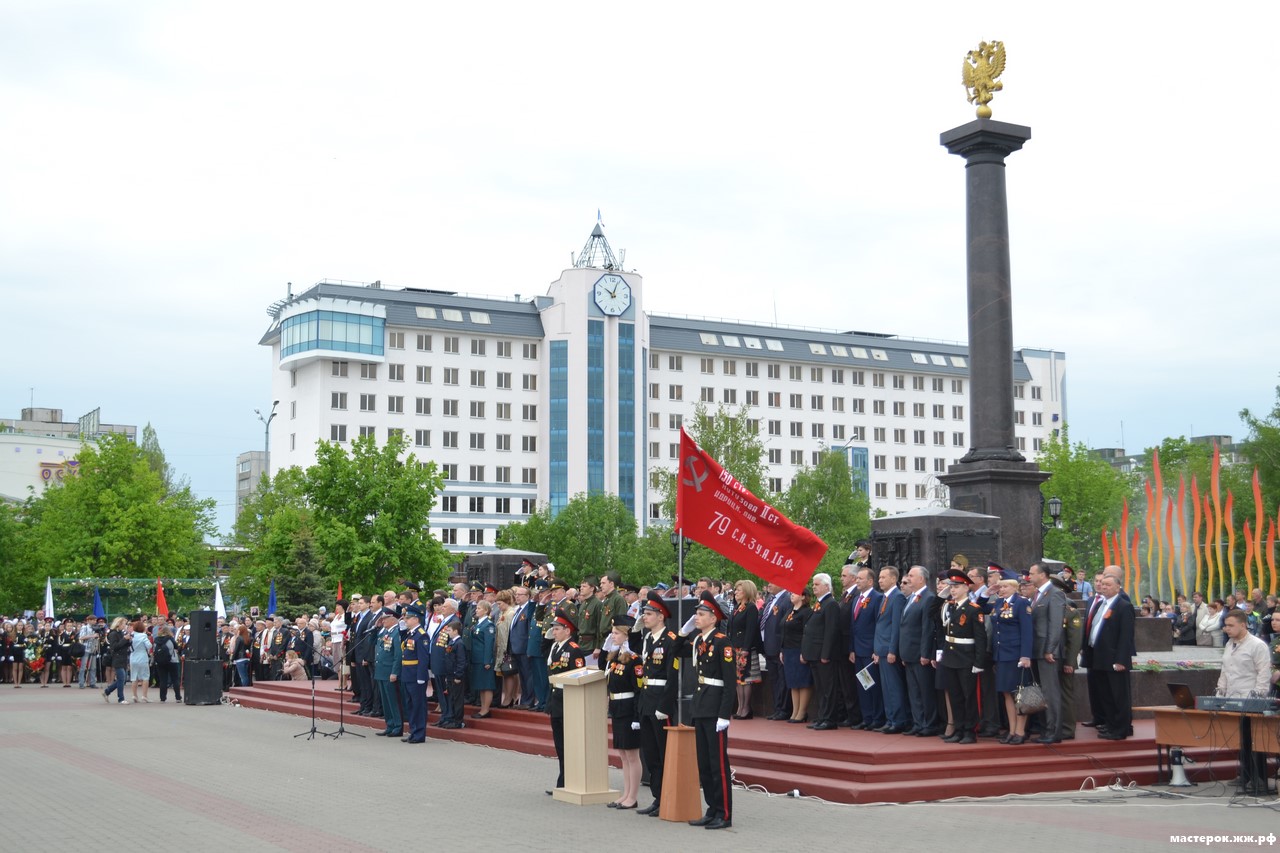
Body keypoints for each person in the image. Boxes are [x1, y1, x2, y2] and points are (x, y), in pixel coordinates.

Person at [685, 591, 736, 830]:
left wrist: (724, 715)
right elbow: (676, 650)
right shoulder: (698, 641)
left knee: (718, 766)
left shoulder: (722, 642)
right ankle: (711, 809)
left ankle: (724, 813)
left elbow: (729, 682)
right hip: (701, 705)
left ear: (713, 618)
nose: (696, 617)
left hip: (715, 708)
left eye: (701, 614)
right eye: (696, 613)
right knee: (704, 764)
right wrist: (684, 631)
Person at [1218, 610, 1273, 792]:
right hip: (1234, 698)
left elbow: (1263, 673)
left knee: (1255, 740)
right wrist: (1220, 694)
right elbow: (1225, 670)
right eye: (1226, 625)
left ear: (1243, 625)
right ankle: (1246, 775)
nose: (1227, 629)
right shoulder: (1229, 644)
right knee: (1243, 739)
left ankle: (1259, 779)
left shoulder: (1257, 645)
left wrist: (1258, 697)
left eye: (1231, 625)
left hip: (1251, 699)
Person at [636, 591, 679, 815]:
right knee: (650, 754)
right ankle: (656, 798)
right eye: (644, 613)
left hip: (661, 702)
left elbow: (672, 678)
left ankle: (667, 798)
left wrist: (665, 705)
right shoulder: (647, 638)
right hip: (646, 699)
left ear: (661, 616)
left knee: (664, 754)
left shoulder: (670, 639)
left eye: (649, 614)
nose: (645, 617)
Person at [1082, 572, 1135, 741]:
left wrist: (1121, 660)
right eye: (1102, 585)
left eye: (1108, 585)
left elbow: (1126, 636)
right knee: (1106, 694)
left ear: (1118, 587)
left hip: (1114, 660)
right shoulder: (1100, 604)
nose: (1104, 587)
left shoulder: (1123, 605)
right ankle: (1111, 725)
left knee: (1118, 695)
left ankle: (1121, 729)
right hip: (1099, 657)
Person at [940, 568, 988, 744]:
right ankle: (959, 728)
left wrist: (978, 662)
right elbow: (933, 615)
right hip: (951, 657)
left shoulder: (974, 609)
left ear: (966, 588)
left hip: (967, 658)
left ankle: (970, 730)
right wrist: (941, 596)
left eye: (957, 587)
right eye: (951, 587)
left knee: (969, 696)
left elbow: (980, 638)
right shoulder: (949, 606)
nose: (953, 590)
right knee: (955, 696)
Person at [546, 608, 587, 794]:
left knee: (568, 744)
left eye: (557, 629)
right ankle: (563, 780)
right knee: (560, 745)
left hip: (568, 700)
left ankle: (568, 781)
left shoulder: (574, 650)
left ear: (567, 631)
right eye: (553, 629)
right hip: (555, 698)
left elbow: (578, 676)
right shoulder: (555, 647)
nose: (553, 632)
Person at [988, 578, 1033, 744]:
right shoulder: (999, 602)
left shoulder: (1021, 603)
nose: (1002, 589)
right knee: (1006, 692)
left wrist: (1026, 655)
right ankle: (1012, 730)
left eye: (1005, 586)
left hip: (1016, 655)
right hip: (1001, 654)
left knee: (1019, 694)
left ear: (1015, 588)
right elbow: (979, 605)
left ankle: (1020, 731)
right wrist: (988, 593)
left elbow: (1027, 631)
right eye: (1000, 586)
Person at [605, 615, 642, 809]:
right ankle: (626, 793)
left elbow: (638, 690)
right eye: (612, 633)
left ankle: (633, 796)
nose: (613, 636)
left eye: (617, 633)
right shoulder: (615, 657)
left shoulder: (634, 660)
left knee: (632, 755)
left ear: (627, 636)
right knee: (622, 754)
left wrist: (637, 717)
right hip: (617, 709)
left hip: (629, 710)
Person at [1026, 563, 1066, 744]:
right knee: (1040, 693)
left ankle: (1054, 731)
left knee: (1050, 692)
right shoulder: (1037, 594)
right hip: (1036, 650)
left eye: (1032, 574)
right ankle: (1044, 729)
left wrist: (1050, 649)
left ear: (1043, 575)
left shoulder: (1054, 593)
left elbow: (1055, 624)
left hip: (1046, 651)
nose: (1029, 577)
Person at [898, 566, 939, 737]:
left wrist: (924, 654)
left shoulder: (928, 598)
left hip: (919, 654)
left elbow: (926, 628)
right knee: (914, 692)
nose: (908, 578)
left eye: (911, 575)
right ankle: (918, 722)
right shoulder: (911, 598)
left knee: (925, 691)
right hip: (908, 653)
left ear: (921, 579)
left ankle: (929, 724)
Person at [801, 572, 840, 730]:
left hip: (823, 655)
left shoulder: (830, 604)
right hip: (814, 653)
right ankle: (822, 716)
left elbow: (831, 631)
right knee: (821, 687)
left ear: (826, 586)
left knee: (828, 688)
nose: (813, 587)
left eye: (816, 584)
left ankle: (829, 718)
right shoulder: (819, 603)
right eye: (813, 584)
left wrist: (825, 654)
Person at [872, 566, 908, 733]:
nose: (880, 580)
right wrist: (877, 649)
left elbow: (895, 627)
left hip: (889, 650)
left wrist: (892, 650)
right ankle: (890, 718)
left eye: (883, 577)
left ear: (894, 579)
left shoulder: (898, 597)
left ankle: (899, 720)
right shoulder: (885, 597)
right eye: (879, 577)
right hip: (881, 648)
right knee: (886, 687)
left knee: (893, 686)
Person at [848, 566, 883, 730]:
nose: (857, 581)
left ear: (870, 581)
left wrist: (876, 649)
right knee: (863, 685)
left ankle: (877, 717)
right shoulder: (856, 598)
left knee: (873, 685)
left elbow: (878, 625)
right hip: (858, 650)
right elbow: (853, 626)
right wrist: (852, 649)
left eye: (860, 578)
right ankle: (867, 717)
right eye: (856, 578)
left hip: (870, 650)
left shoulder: (877, 598)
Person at [728, 580, 763, 719]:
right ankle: (740, 707)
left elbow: (750, 629)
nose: (736, 592)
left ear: (747, 591)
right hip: (735, 647)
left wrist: (746, 648)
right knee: (738, 679)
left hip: (744, 648)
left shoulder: (751, 608)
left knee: (746, 678)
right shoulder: (737, 608)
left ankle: (746, 708)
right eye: (735, 590)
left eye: (739, 590)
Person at [760, 582, 793, 721]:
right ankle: (777, 707)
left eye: (772, 582)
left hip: (778, 647)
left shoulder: (786, 599)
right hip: (768, 646)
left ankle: (783, 709)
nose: (769, 585)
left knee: (782, 680)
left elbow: (785, 625)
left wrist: (782, 647)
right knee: (774, 680)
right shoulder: (771, 599)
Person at [781, 586, 813, 724]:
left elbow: (807, 634)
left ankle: (802, 712)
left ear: (803, 596)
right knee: (793, 682)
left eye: (794, 592)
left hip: (799, 650)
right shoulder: (790, 611)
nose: (791, 595)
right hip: (788, 650)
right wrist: (782, 650)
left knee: (803, 682)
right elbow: (784, 631)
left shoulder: (806, 612)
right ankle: (795, 711)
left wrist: (804, 652)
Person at [399, 603, 429, 744]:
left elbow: (423, 659)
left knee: (418, 705)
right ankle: (413, 731)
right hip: (407, 674)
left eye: (408, 618)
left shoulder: (421, 635)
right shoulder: (410, 634)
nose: (406, 620)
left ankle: (419, 734)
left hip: (416, 675)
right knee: (410, 705)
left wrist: (421, 677)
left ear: (416, 619)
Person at [372, 608, 403, 737]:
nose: (383, 621)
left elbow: (398, 655)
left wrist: (395, 672)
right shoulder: (384, 632)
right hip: (381, 670)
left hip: (389, 670)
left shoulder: (397, 632)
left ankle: (397, 726)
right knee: (385, 701)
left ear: (393, 619)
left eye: (385, 618)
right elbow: (372, 642)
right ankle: (389, 725)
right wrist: (375, 628)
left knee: (392, 700)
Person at [468, 600, 496, 718]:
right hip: (476, 658)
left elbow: (489, 644)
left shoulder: (488, 625)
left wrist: (487, 660)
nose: (477, 610)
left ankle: (485, 709)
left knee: (486, 685)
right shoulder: (478, 623)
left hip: (483, 659)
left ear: (486, 610)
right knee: (481, 685)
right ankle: (482, 708)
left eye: (479, 608)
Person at [493, 589, 519, 708]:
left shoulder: (510, 613)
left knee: (509, 673)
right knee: (505, 674)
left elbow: (511, 632)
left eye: (500, 604)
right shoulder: (502, 613)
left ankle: (509, 697)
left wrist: (508, 650)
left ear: (507, 601)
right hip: (500, 648)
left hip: (507, 649)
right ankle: (509, 696)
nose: (498, 606)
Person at [101, 617, 131, 703]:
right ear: (119, 624)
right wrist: (125, 639)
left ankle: (107, 691)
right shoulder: (113, 634)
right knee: (121, 678)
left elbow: (124, 645)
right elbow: (114, 647)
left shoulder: (121, 633)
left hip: (123, 658)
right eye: (124, 624)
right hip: (117, 658)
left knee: (122, 679)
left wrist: (128, 640)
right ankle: (121, 698)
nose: (125, 626)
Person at [153, 626, 183, 701]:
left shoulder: (156, 640)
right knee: (175, 679)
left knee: (163, 680)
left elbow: (154, 650)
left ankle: (162, 698)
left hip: (160, 662)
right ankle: (178, 697)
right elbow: (176, 647)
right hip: (172, 661)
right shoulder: (170, 639)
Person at [128, 621, 153, 703]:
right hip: (142, 657)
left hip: (133, 656)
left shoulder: (131, 635)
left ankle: (134, 695)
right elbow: (149, 645)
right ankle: (144, 696)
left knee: (134, 677)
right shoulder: (143, 636)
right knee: (145, 676)